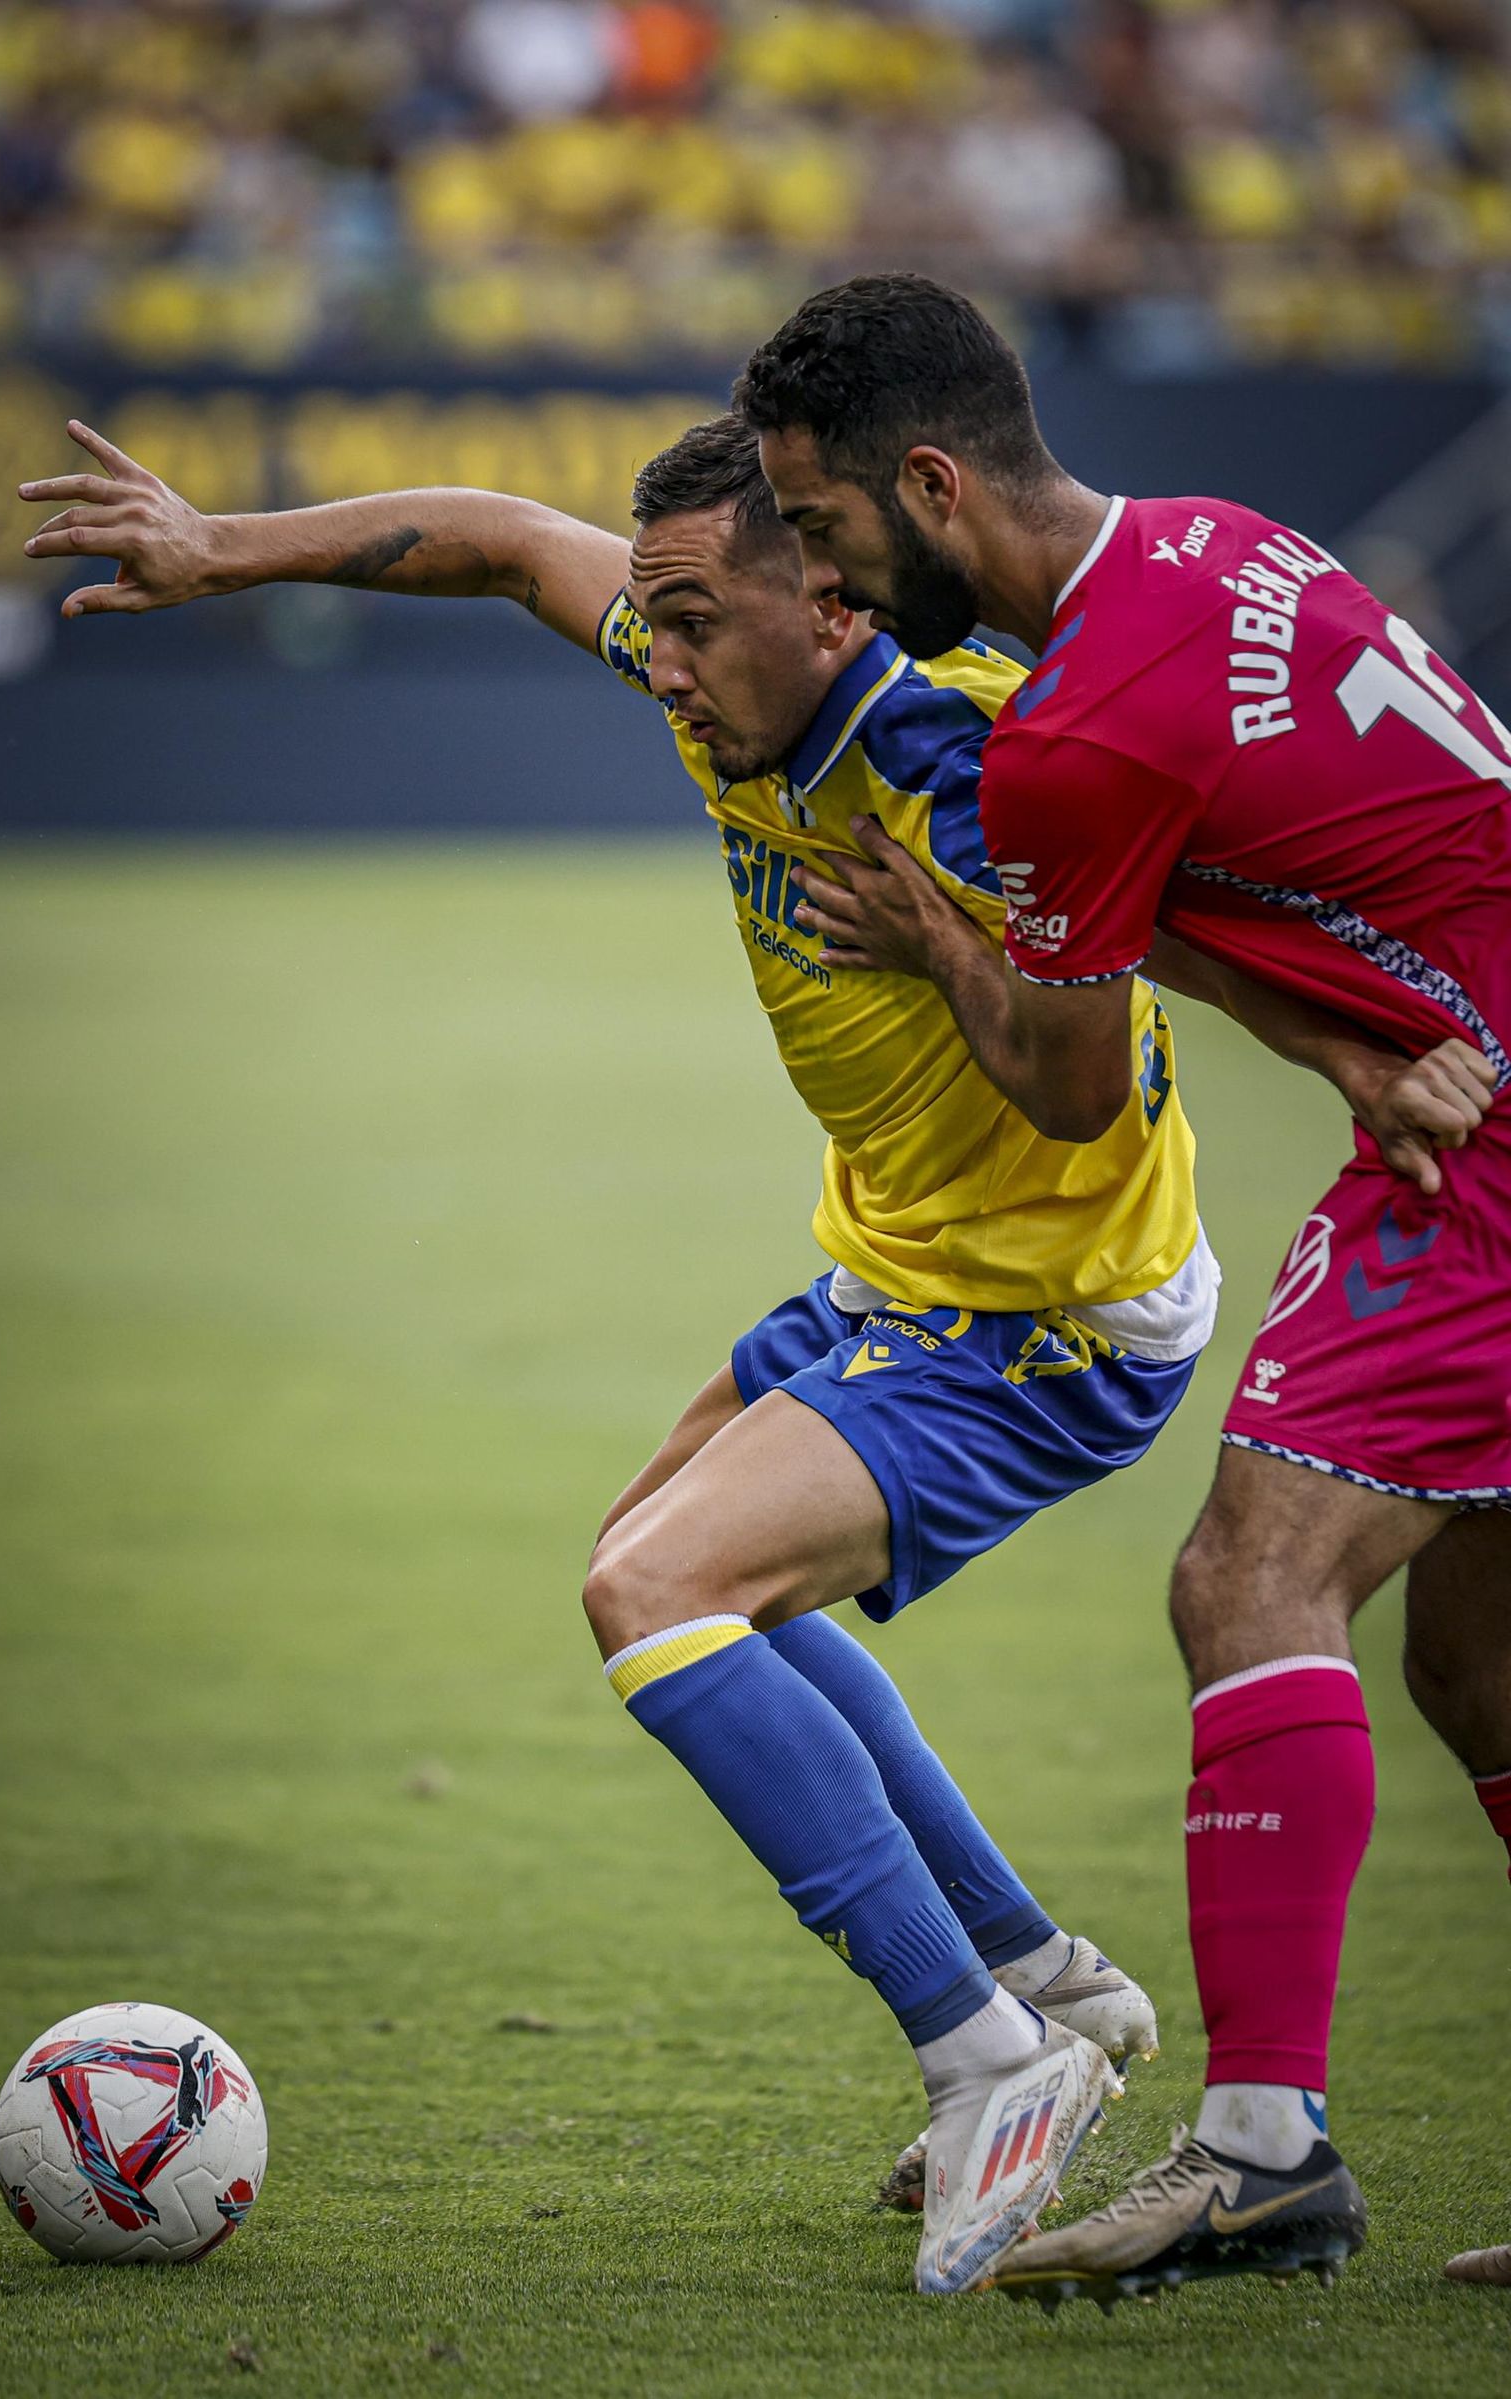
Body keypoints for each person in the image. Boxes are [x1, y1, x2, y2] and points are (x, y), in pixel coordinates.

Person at [19, 409, 1461, 2302]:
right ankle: (1050, 1983)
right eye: (661, 623)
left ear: (836, 599)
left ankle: (985, 2061)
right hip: (892, 1268)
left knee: (661, 1588)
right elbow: (494, 536)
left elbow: (1087, 1060)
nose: (661, 660)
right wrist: (223, 550)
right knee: (697, 1592)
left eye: (697, 621)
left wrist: (952, 943)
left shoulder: (956, 753)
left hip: (1044, 1311)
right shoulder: (711, 662)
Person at [737, 269, 1507, 2309]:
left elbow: (1067, 1094)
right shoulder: (1215, 542)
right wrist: (1342, 1044)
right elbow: (1253, 874)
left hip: (1488, 1141)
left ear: (923, 483)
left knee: (1245, 1581)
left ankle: (1261, 2159)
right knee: (1478, 1677)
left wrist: (931, 941)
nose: (811, 579)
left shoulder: (1065, 736)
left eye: (816, 531)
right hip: (1461, 1065)